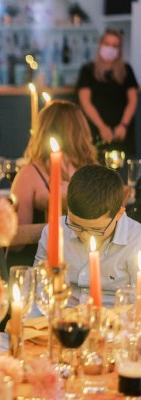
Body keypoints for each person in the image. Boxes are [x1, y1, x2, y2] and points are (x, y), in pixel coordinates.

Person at [35, 165, 141, 307]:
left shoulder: (136, 240)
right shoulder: (54, 233)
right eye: (75, 225)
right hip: (63, 320)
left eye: (95, 229)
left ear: (119, 214)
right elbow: (38, 291)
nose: (85, 235)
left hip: (115, 323)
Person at [10, 100, 97, 265]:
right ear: (82, 131)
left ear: (42, 131)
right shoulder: (96, 172)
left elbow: (18, 243)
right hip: (88, 265)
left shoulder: (30, 174)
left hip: (41, 267)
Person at [76, 28, 138, 158]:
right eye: (107, 44)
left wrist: (123, 125)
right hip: (96, 132)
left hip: (122, 133)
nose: (110, 48)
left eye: (115, 46)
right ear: (100, 45)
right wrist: (102, 127)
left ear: (119, 50)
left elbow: (132, 100)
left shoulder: (127, 70)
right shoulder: (87, 71)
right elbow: (85, 102)